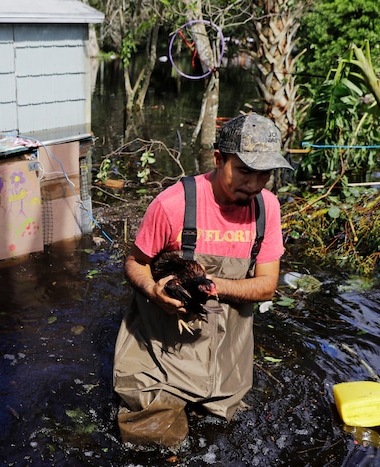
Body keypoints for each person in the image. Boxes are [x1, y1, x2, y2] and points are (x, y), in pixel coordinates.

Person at [113, 113, 293, 449]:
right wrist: (154, 290)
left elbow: (267, 285)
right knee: (152, 440)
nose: (254, 184)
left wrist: (212, 286)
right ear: (218, 159)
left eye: (264, 174)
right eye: (244, 171)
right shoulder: (173, 204)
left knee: (226, 439)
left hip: (227, 355)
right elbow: (135, 263)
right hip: (161, 353)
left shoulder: (267, 208)